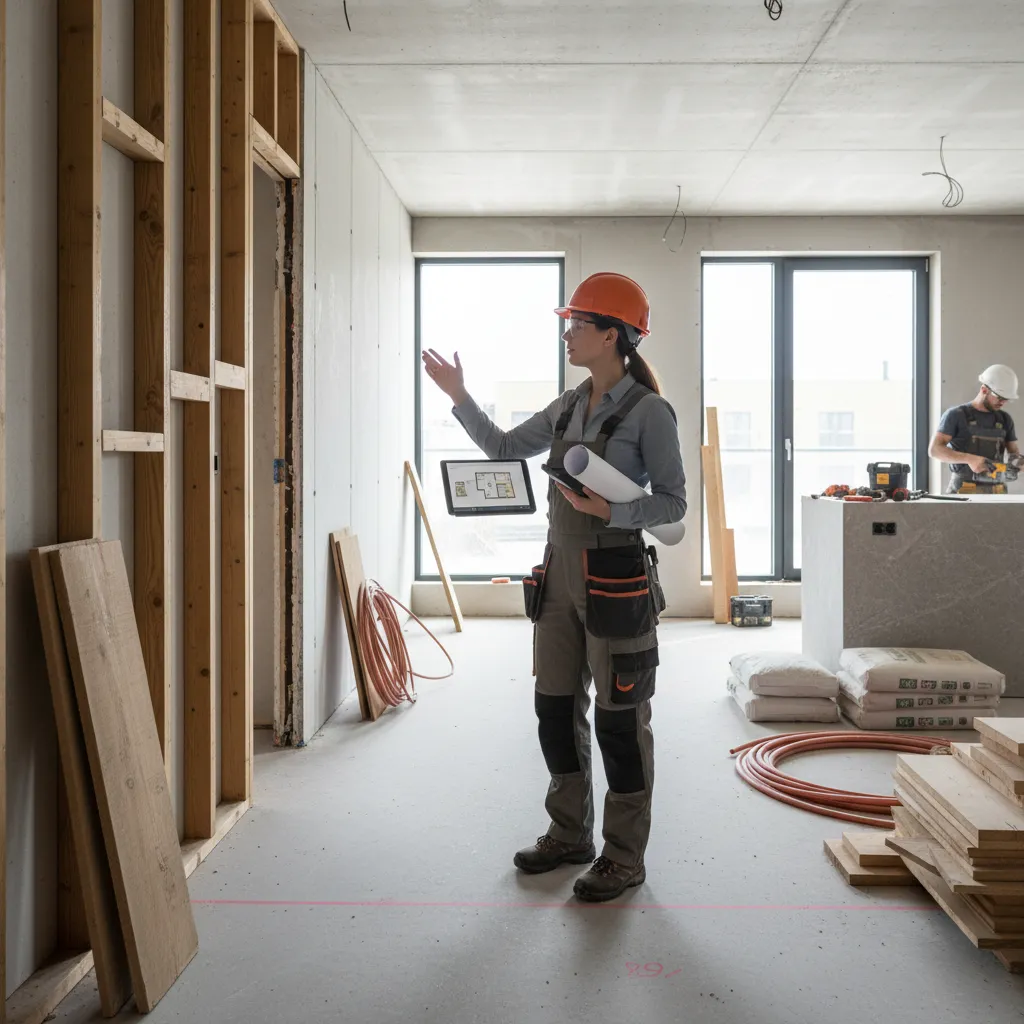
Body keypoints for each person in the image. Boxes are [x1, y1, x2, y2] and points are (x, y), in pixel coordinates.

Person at [421, 272, 686, 903]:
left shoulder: (650, 412)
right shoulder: (567, 405)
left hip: (616, 575)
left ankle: (624, 856)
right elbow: (504, 446)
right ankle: (570, 834)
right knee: (555, 711)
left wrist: (612, 511)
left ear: (613, 335)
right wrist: (459, 396)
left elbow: (673, 504)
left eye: (578, 325)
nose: (568, 335)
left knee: (620, 722)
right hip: (559, 573)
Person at [929, 364, 1022, 494]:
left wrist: (1018, 462)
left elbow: (1014, 453)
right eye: (999, 398)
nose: (1002, 403)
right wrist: (970, 459)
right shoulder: (956, 415)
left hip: (998, 493)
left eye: (1006, 399)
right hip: (964, 492)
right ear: (984, 390)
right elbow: (935, 450)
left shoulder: (1004, 419)